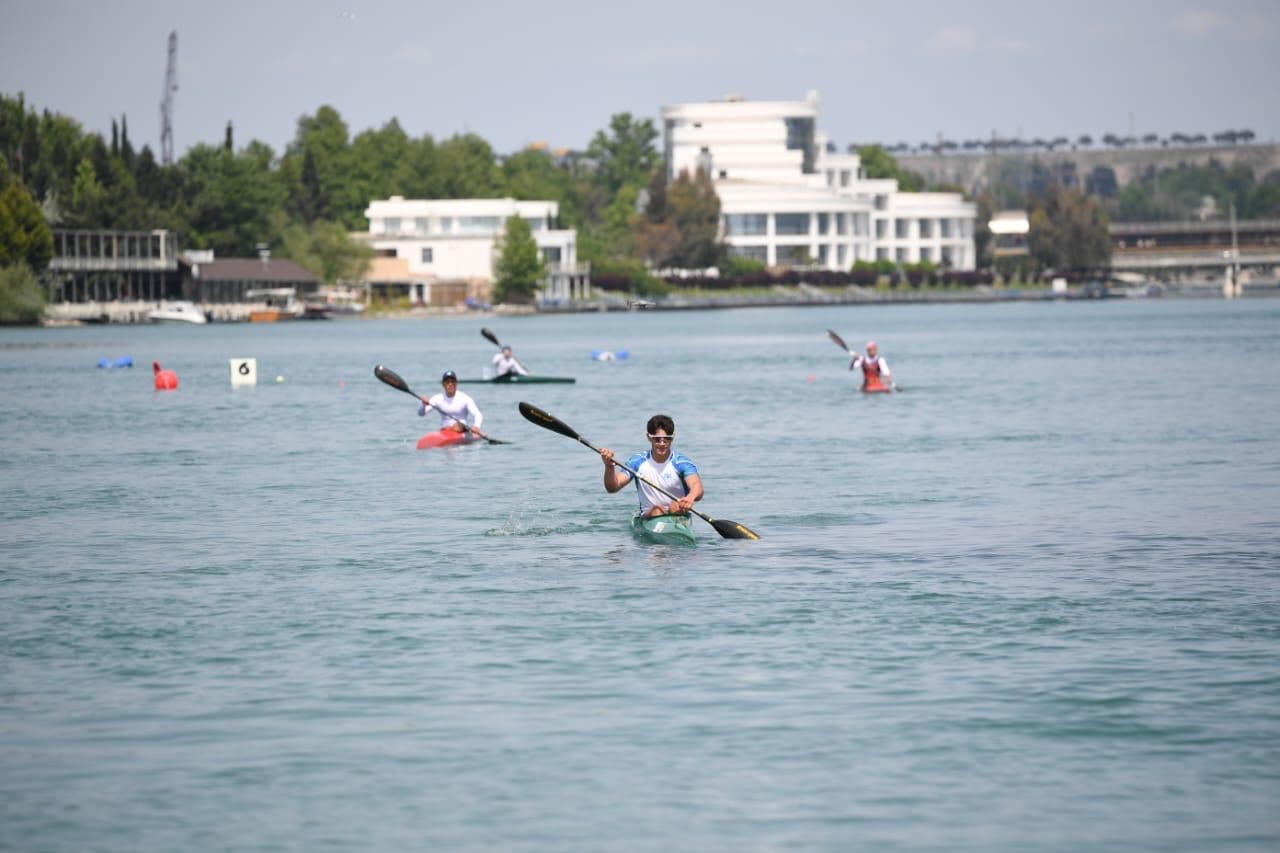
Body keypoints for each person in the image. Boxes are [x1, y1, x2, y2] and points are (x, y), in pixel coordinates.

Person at [599, 414, 703, 518]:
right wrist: (609, 467)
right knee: (657, 510)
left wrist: (691, 497)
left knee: (676, 506)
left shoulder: (681, 462)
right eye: (657, 439)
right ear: (649, 437)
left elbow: (696, 485)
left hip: (678, 512)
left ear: (672, 438)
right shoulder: (637, 461)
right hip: (650, 515)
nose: (662, 443)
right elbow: (612, 487)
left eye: (666, 439)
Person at [419, 370, 483, 433]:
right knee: (447, 427)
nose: (450, 384)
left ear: (456, 383)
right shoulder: (437, 399)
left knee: (458, 425)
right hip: (445, 430)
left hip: (461, 429)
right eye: (447, 382)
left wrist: (476, 426)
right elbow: (421, 414)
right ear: (443, 384)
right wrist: (423, 404)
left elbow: (478, 414)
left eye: (452, 382)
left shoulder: (465, 398)